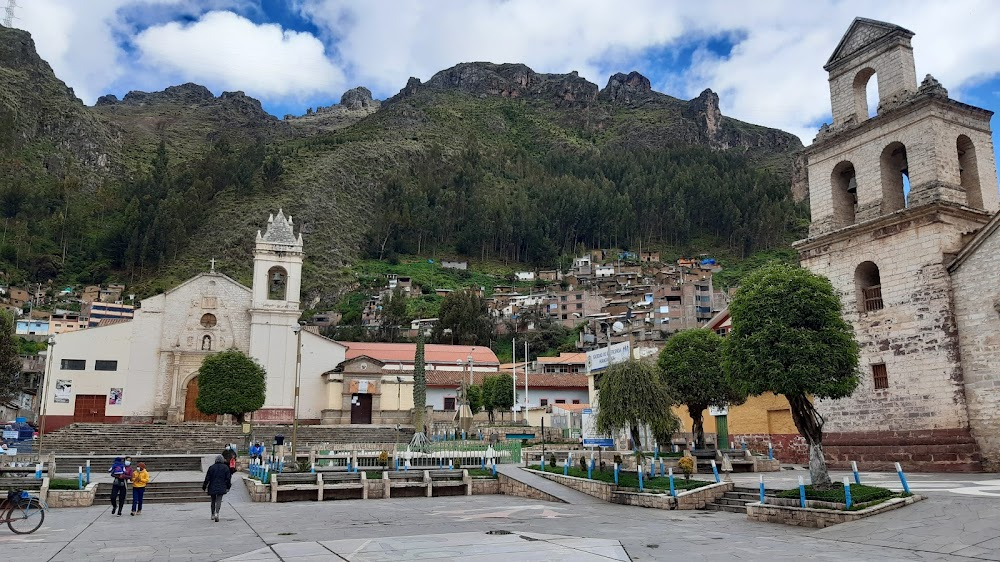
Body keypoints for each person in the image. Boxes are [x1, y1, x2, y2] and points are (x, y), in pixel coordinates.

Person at [202, 454, 232, 522]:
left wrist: (204, 486)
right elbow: (228, 478)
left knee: (213, 500)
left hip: (212, 486)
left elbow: (207, 478)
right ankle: (217, 513)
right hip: (221, 486)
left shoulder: (211, 467)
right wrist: (228, 486)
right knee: (219, 500)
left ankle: (212, 514)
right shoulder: (225, 467)